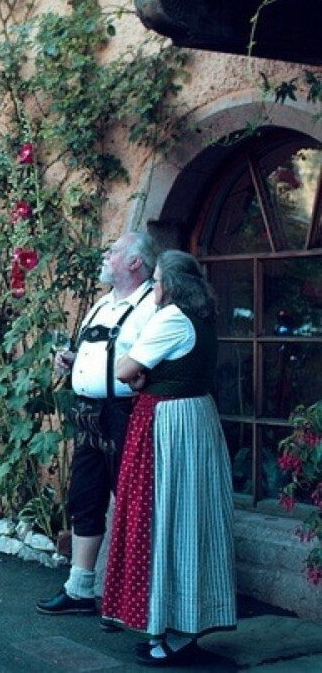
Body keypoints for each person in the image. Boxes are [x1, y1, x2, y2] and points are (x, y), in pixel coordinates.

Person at [102, 250, 236, 665]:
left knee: (166, 519)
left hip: (170, 426)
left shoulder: (172, 318)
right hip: (193, 419)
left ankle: (172, 631)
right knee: (189, 520)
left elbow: (125, 369)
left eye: (157, 280)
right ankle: (180, 624)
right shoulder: (200, 320)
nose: (154, 287)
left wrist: (138, 373)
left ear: (172, 285)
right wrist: (143, 373)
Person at [36, 231, 159, 619]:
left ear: (136, 262)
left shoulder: (152, 304)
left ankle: (135, 597)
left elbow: (150, 359)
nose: (106, 255)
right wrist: (73, 361)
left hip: (126, 416)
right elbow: (106, 353)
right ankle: (80, 589)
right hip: (88, 413)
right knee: (85, 497)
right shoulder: (102, 304)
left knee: (133, 504)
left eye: (114, 251)